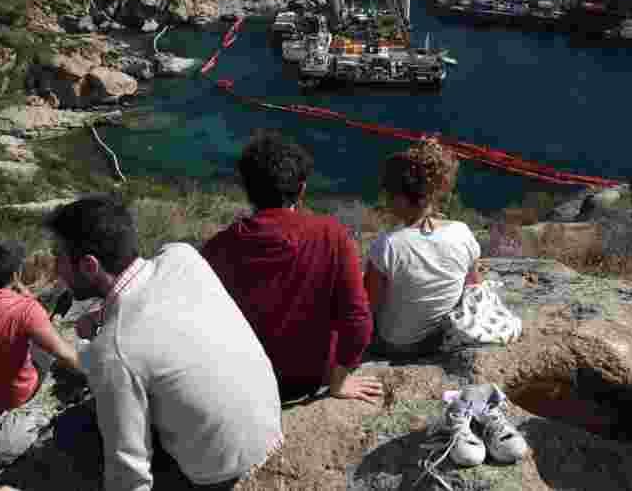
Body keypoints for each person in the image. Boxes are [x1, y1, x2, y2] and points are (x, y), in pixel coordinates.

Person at [46, 197, 283, 491]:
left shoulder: (112, 351)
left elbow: (129, 474)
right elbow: (153, 303)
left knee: (72, 431)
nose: (56, 267)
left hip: (215, 473)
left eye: (59, 257)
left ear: (89, 265)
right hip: (270, 427)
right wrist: (102, 316)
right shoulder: (181, 256)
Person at [201, 130, 382, 405]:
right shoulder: (331, 235)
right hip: (311, 379)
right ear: (302, 189)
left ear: (247, 189)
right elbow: (358, 322)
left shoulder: (217, 248)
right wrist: (339, 380)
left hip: (246, 380)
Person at [364, 138, 482, 358]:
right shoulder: (462, 232)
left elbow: (366, 309)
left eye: (388, 194)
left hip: (398, 345)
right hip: (444, 339)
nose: (386, 201)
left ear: (399, 198)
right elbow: (473, 289)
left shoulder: (388, 245)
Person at [0, 242, 81, 418]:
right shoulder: (26, 309)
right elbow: (66, 355)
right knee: (45, 348)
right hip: (9, 399)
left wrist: (17, 287)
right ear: (15, 275)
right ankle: (56, 318)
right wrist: (94, 375)